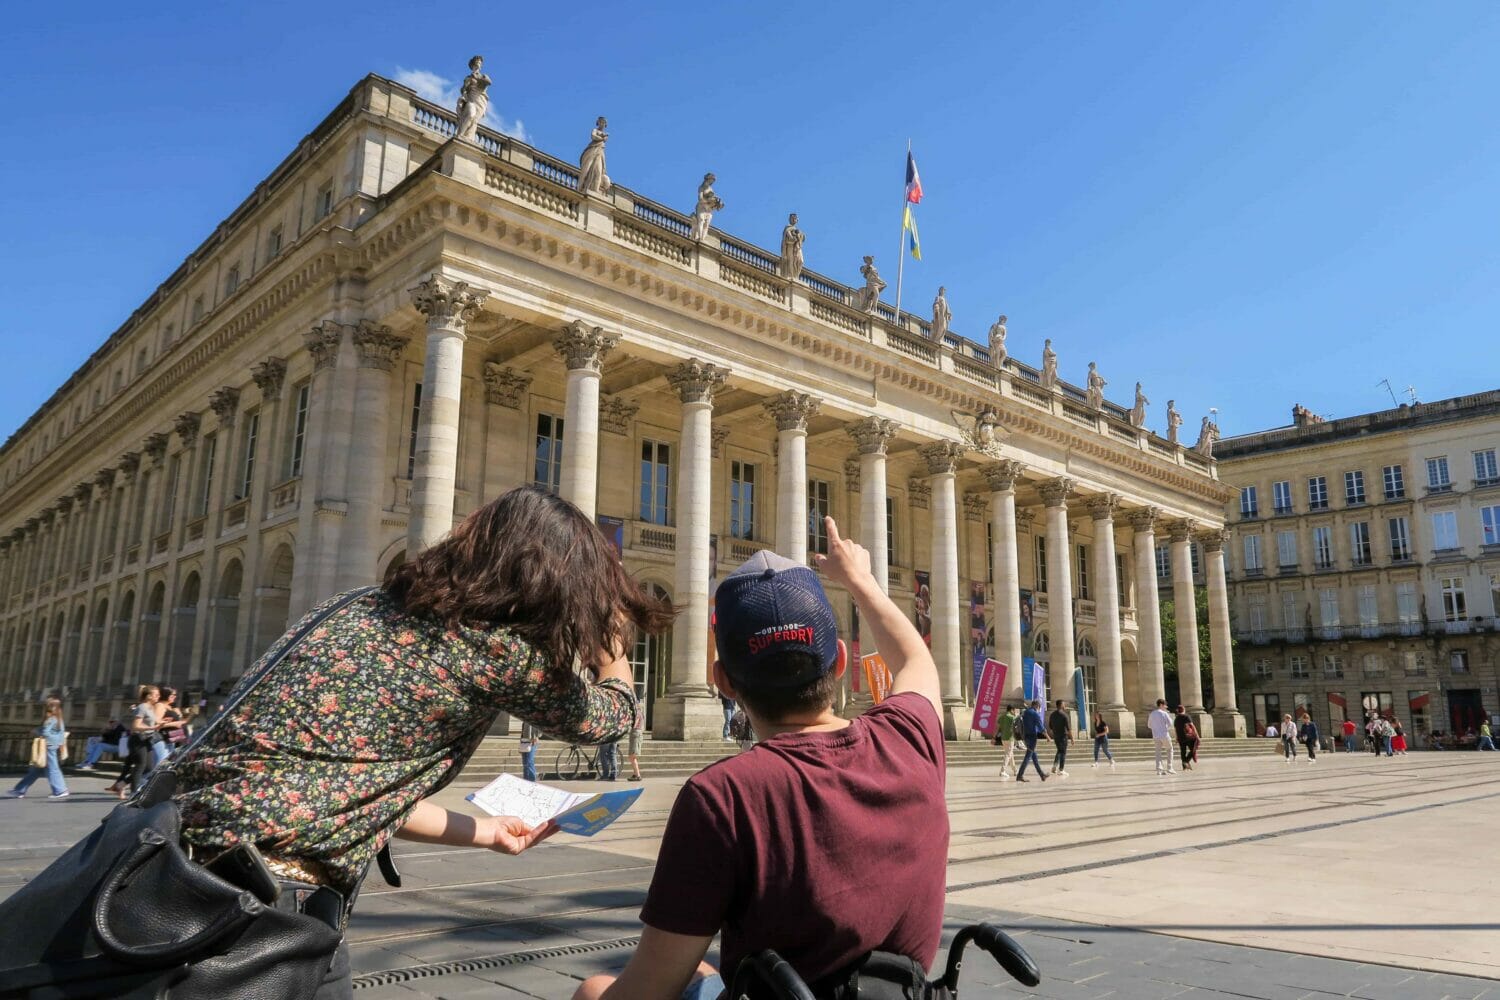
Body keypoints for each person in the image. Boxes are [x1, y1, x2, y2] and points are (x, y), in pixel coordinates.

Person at [168, 486, 669, 998]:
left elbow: (347, 787)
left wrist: (485, 832)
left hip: (170, 858)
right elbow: (606, 720)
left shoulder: (357, 605)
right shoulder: (494, 648)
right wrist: (611, 655)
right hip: (266, 900)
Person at [574, 517, 946, 1000]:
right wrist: (860, 579)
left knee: (595, 989)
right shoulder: (908, 739)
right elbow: (916, 660)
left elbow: (646, 992)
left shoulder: (723, 797)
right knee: (703, 975)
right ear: (838, 660)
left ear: (722, 680)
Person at [5, 697, 69, 799]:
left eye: (48, 705)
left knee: (52, 769)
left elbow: (46, 732)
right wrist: (59, 743)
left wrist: (36, 731)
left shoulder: (51, 718)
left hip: (48, 746)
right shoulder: (58, 718)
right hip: (53, 745)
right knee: (36, 769)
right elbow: (60, 732)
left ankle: (60, 790)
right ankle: (19, 790)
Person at [1017, 699, 1048, 783]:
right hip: (1032, 737)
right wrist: (1048, 737)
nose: (1039, 709)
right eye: (1039, 707)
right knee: (1027, 757)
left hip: (1026, 736)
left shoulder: (1025, 712)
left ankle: (1042, 775)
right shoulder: (1035, 714)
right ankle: (1020, 775)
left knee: (1034, 757)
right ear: (1037, 706)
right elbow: (1041, 727)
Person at [154, 685, 187, 765]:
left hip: (172, 739)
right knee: (161, 764)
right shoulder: (160, 705)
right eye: (173, 695)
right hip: (163, 739)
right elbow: (155, 724)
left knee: (169, 764)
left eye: (175, 695)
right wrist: (174, 724)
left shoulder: (170, 707)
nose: (175, 697)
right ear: (166, 695)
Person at [1148, 699, 1175, 775]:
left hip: (1156, 735)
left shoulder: (1152, 714)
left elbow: (1149, 725)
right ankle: (1169, 767)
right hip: (1164, 734)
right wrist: (1165, 727)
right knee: (1169, 750)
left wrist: (1155, 728)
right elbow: (1170, 723)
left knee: (1158, 752)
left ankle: (1159, 769)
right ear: (1161, 705)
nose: (1166, 707)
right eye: (1165, 705)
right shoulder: (1164, 713)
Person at [1048, 699, 1071, 777]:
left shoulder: (1052, 715)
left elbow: (1050, 726)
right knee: (1063, 752)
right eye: (1064, 704)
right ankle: (1061, 769)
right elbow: (1068, 728)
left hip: (1056, 736)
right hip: (1063, 736)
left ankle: (1054, 766)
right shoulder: (1064, 715)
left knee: (1059, 751)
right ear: (1061, 705)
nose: (1065, 706)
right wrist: (1072, 738)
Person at [995, 704, 1019, 779]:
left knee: (1010, 754)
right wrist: (1017, 715)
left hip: (1003, 738)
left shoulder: (1002, 716)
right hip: (1010, 738)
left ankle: (1015, 770)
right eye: (1014, 710)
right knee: (1008, 754)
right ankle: (1002, 770)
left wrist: (994, 736)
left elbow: (998, 727)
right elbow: (1018, 726)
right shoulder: (1012, 717)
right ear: (1012, 710)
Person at [1174, 706, 1198, 771]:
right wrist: (1196, 735)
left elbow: (1175, 729)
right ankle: (1186, 761)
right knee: (1193, 749)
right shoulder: (1186, 716)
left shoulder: (1176, 718)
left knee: (1183, 751)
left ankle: (1184, 766)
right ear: (1183, 710)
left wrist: (1176, 737)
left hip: (1180, 737)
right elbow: (1192, 726)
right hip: (1188, 736)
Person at [627, 707, 645, 780]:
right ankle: (635, 774)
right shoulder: (639, 712)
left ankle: (637, 775)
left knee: (632, 756)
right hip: (636, 733)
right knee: (632, 756)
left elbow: (635, 723)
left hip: (635, 733)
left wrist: (627, 729)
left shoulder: (637, 712)